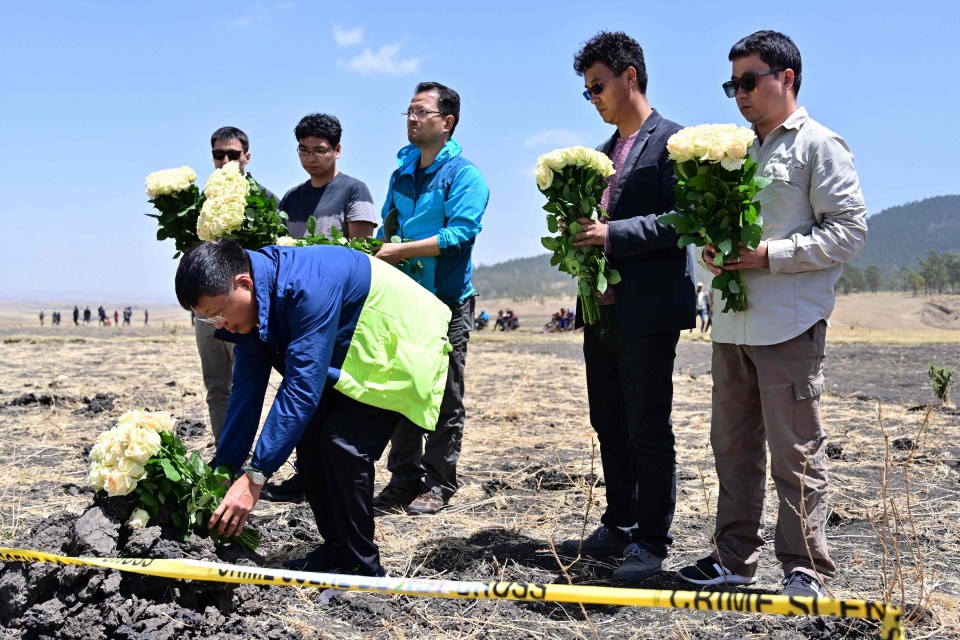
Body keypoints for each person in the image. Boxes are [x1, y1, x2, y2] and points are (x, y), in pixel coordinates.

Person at [675, 30, 867, 599]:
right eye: (732, 84)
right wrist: (711, 255)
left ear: (786, 78)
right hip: (732, 325)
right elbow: (718, 234)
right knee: (730, 448)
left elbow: (849, 231)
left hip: (788, 323)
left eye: (749, 81)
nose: (739, 94)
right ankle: (734, 557)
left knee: (795, 451)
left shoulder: (818, 146)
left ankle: (805, 566)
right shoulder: (737, 154)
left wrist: (768, 256)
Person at [175, 239, 452, 577]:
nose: (218, 324)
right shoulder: (253, 304)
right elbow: (245, 393)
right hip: (349, 350)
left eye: (217, 313)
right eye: (206, 319)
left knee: (342, 444)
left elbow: (302, 388)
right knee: (308, 437)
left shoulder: (306, 287)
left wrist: (257, 475)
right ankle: (336, 549)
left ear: (243, 283)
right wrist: (227, 467)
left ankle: (362, 567)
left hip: (400, 341)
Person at [556, 31, 696, 581]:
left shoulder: (674, 143)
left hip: (648, 309)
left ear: (629, 75)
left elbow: (682, 219)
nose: (593, 98)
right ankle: (620, 520)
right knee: (607, 421)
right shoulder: (598, 155)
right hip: (601, 309)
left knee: (647, 427)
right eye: (586, 92)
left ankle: (653, 540)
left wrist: (611, 233)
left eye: (598, 86)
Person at [372, 81, 490, 515]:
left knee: (444, 393)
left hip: (446, 301)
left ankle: (439, 482)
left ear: (447, 122)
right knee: (403, 387)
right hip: (404, 301)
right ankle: (404, 478)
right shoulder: (401, 171)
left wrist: (401, 250)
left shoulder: (464, 175)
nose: (412, 118)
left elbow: (459, 235)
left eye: (422, 111)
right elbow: (388, 226)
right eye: (408, 111)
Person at [194, 126, 277, 450]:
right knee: (216, 384)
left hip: (244, 309)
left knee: (247, 383)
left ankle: (246, 453)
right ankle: (224, 455)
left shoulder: (265, 200)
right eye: (219, 154)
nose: (225, 160)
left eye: (232, 154)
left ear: (246, 156)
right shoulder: (201, 203)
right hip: (208, 312)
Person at [278, 113, 378, 240]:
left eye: (319, 151)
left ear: (337, 150)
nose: (310, 158)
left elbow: (360, 252)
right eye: (304, 150)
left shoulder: (355, 190)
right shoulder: (290, 198)